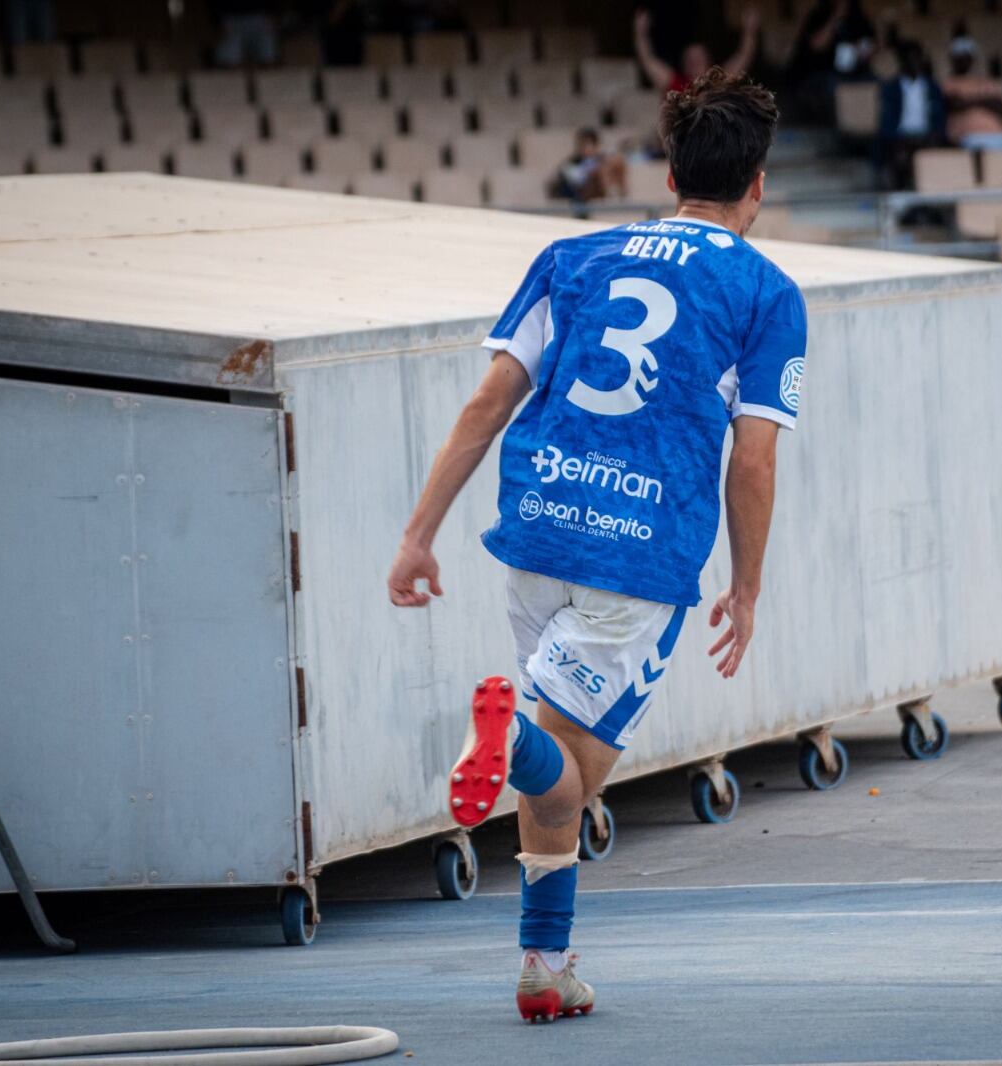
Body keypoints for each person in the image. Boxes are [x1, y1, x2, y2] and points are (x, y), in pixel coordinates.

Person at [386, 69, 807, 1022]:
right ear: (759, 185)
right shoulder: (765, 290)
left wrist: (417, 537)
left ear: (668, 175)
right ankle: (508, 744)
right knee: (565, 768)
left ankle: (545, 970)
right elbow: (753, 459)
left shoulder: (570, 256)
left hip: (535, 529)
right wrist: (746, 586)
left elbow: (487, 404)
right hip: (639, 551)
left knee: (562, 782)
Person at [634, 6, 759, 96]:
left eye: (699, 58)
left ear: (708, 61)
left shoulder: (720, 80)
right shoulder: (674, 82)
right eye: (689, 59)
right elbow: (648, 59)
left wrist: (749, 31)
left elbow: (744, 56)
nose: (694, 62)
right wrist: (641, 33)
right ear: (683, 64)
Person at [875, 40, 946, 189]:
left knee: (933, 151)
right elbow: (886, 122)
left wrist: (935, 135)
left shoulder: (932, 87)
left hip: (926, 136)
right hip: (901, 138)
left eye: (917, 58)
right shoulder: (891, 88)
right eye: (910, 58)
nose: (914, 62)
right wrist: (898, 138)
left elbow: (940, 118)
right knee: (899, 155)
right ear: (902, 61)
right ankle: (902, 195)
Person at [942, 31, 1002, 151]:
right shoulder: (948, 84)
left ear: (973, 59)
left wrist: (968, 101)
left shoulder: (988, 82)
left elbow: (1000, 106)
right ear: (953, 60)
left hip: (998, 136)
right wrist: (985, 101)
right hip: (969, 138)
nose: (963, 61)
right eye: (959, 57)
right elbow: (955, 104)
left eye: (967, 57)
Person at [550, 128, 625, 202]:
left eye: (587, 144)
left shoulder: (601, 159)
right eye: (580, 144)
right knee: (601, 170)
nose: (583, 148)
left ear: (596, 145)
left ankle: (620, 195)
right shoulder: (573, 162)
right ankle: (610, 196)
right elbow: (576, 180)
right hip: (582, 191)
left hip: (599, 188)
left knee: (616, 162)